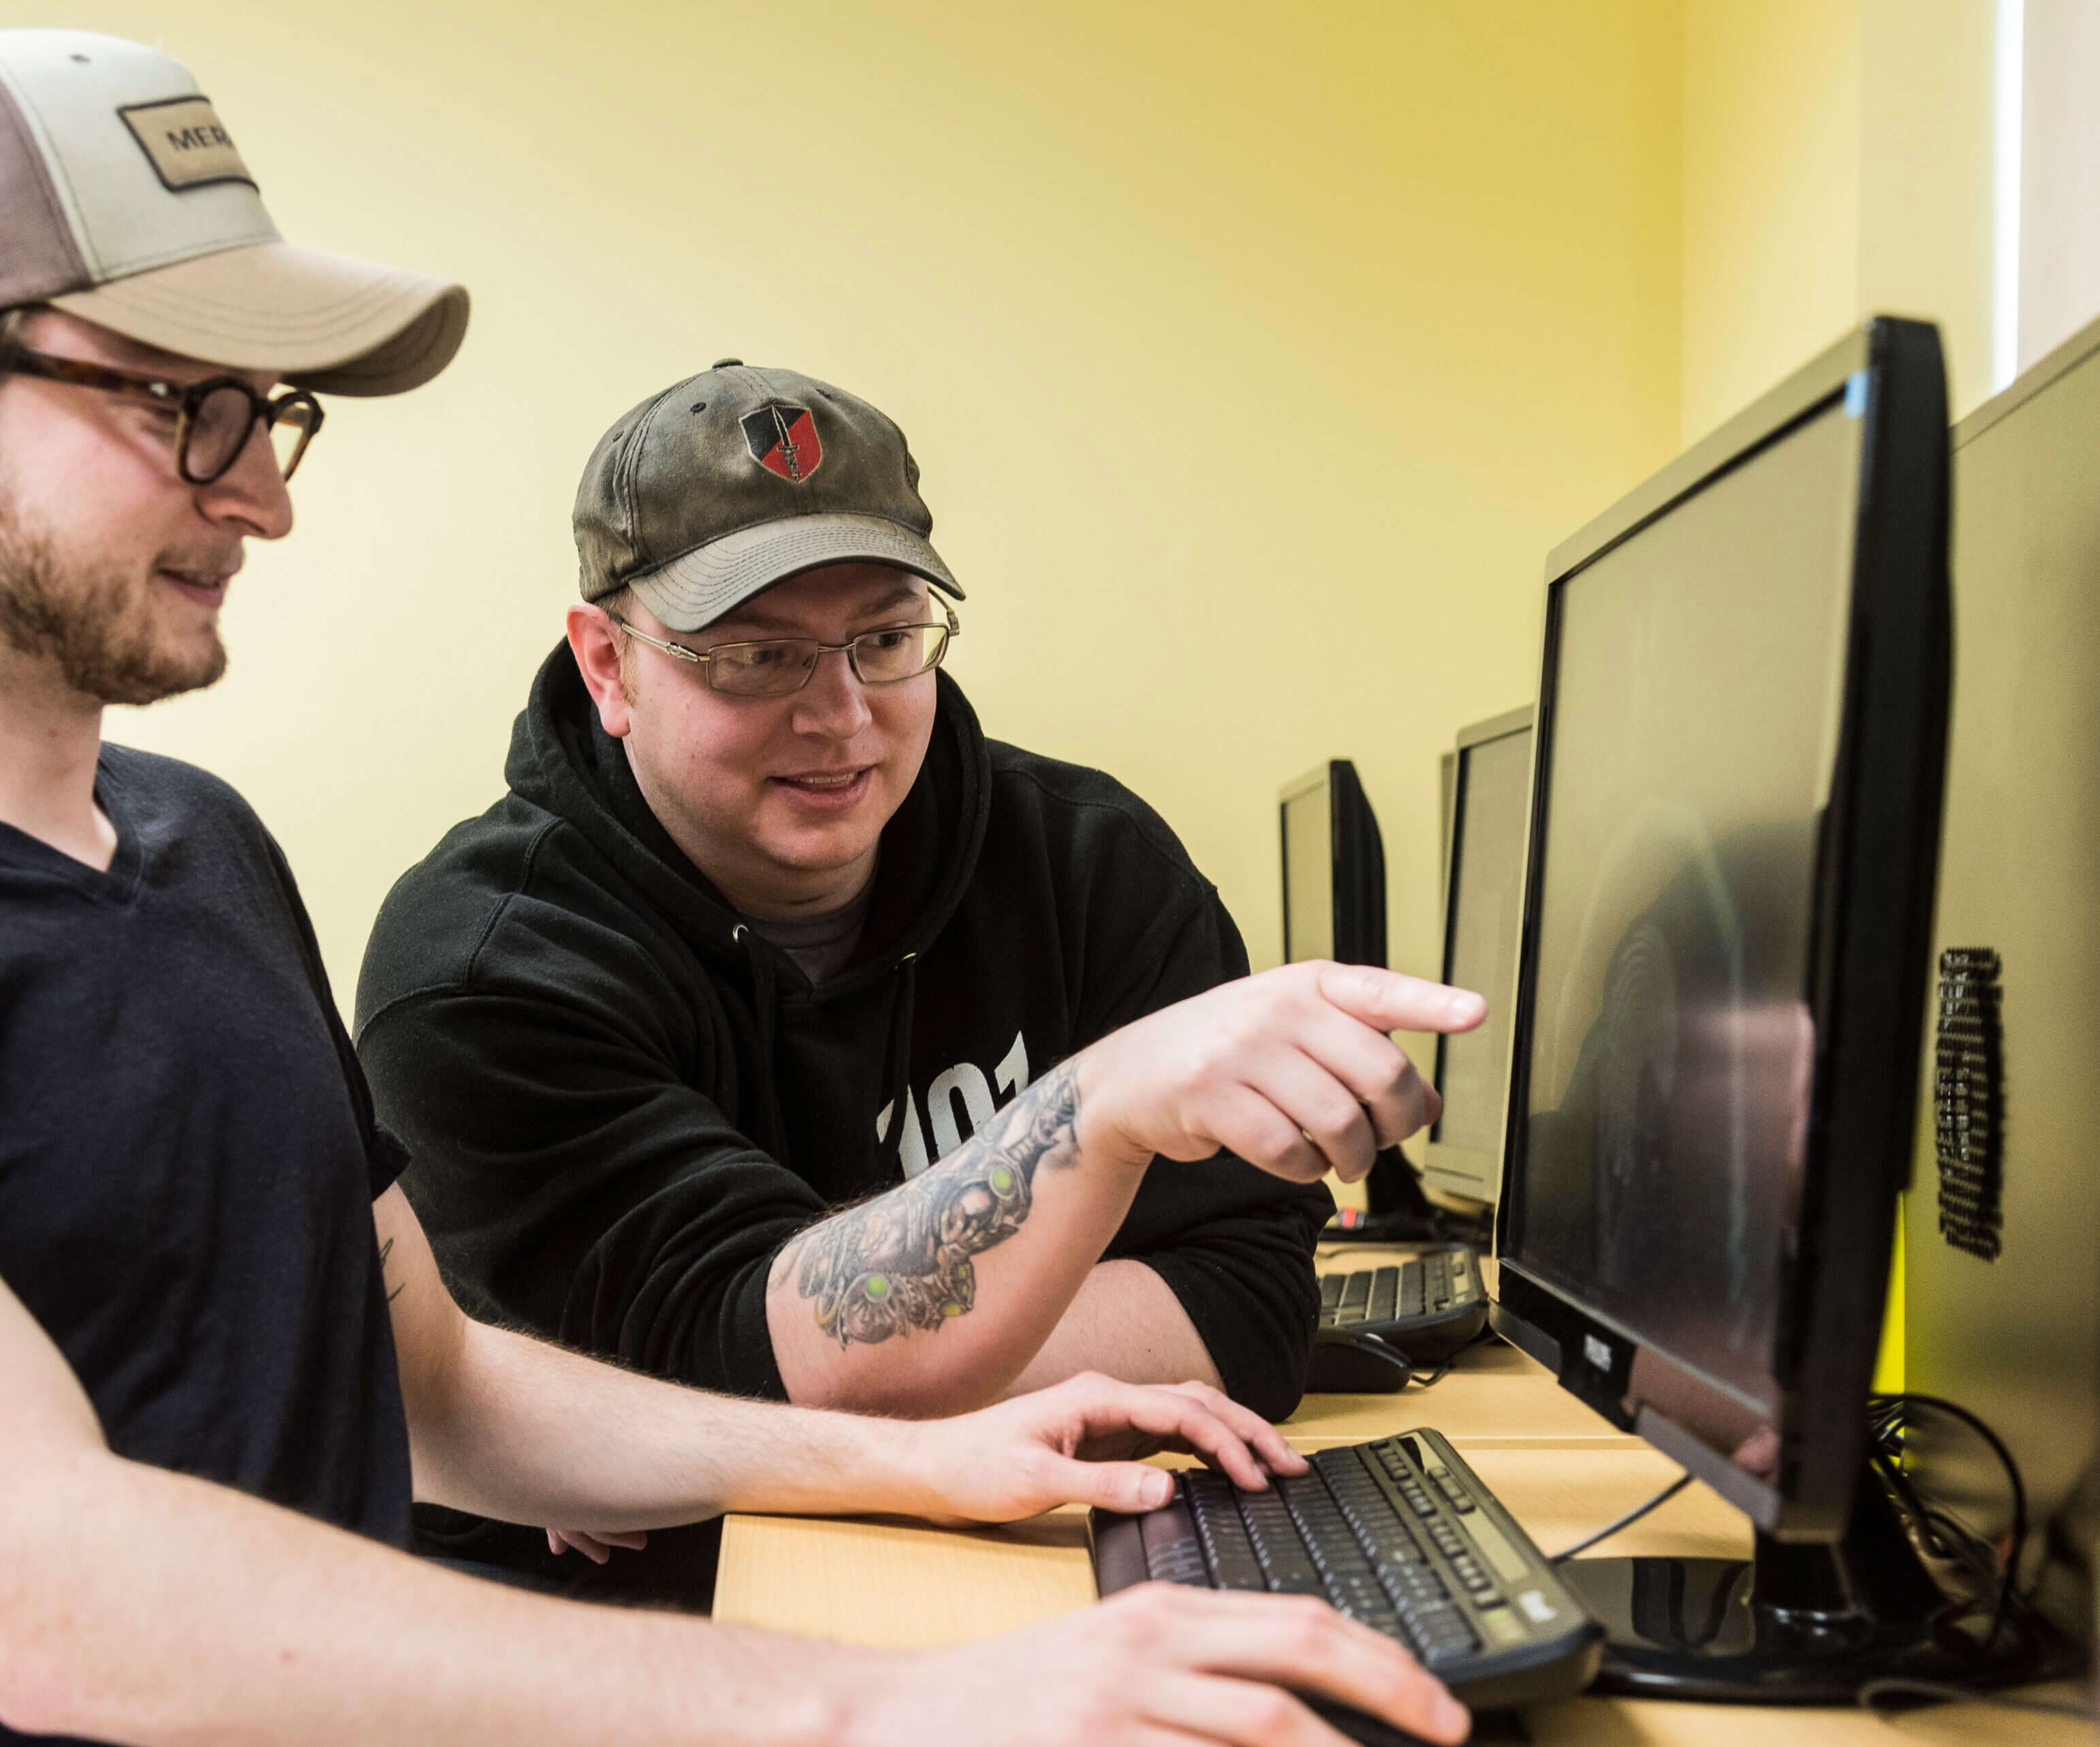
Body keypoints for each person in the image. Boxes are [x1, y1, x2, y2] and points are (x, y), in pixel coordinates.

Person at [0, 28, 1473, 1747]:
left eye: (263, 417)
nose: (264, 492)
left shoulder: (190, 842)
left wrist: (915, 1460)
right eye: (177, 405)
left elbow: (438, 1382)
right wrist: (890, 1694)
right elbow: (57, 1598)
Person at [356, 361, 1488, 1603]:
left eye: (886, 641)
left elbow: (1252, 1309)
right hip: (615, 1639)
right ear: (609, 668)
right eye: (757, 655)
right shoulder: (483, 974)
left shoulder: (1085, 862)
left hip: (1005, 1548)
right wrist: (1090, 1119)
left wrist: (780, 1419)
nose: (842, 717)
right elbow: (747, 1367)